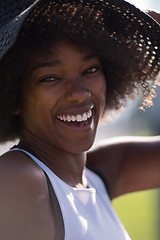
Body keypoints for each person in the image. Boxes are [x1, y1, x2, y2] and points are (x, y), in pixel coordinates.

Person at [0, 0, 160, 239]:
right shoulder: (16, 177)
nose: (80, 93)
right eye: (50, 78)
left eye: (91, 70)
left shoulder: (101, 173)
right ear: (13, 97)